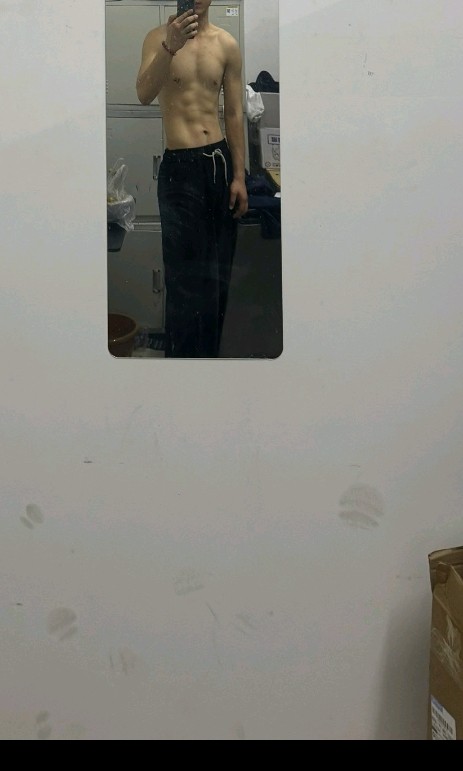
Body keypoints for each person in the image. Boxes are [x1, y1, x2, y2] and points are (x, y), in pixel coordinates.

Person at [136, 1, 248, 357]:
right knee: (182, 280)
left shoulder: (226, 44)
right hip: (179, 170)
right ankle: (181, 369)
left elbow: (234, 112)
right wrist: (170, 47)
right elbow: (143, 94)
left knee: (217, 278)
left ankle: (209, 366)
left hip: (218, 164)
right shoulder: (156, 38)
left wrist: (239, 176)